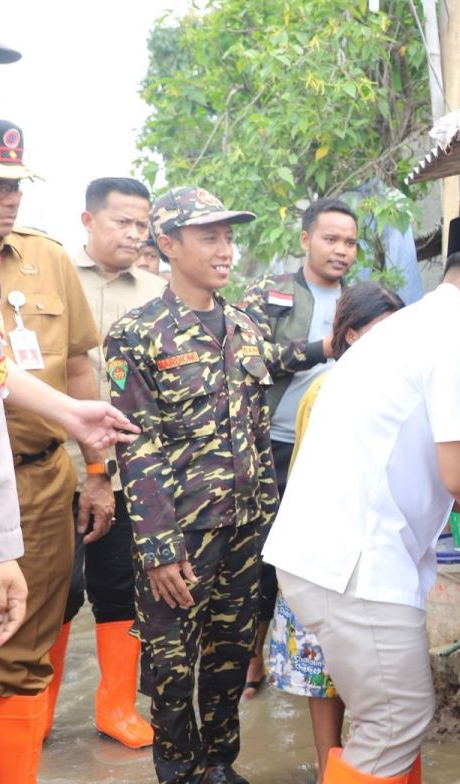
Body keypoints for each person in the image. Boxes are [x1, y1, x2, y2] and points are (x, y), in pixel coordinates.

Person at [265, 212, 460, 783]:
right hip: (355, 562)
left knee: (387, 722)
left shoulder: (423, 325)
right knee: (397, 720)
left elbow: (421, 461)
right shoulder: (458, 335)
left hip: (336, 558)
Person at [106, 186, 327, 784]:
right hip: (179, 536)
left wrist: (332, 344)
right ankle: (177, 771)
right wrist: (157, 551)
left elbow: (275, 369)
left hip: (245, 528)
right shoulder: (138, 335)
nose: (226, 249)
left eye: (229, 236)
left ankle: (219, 766)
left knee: (230, 659)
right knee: (173, 668)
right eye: (210, 237)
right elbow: (137, 446)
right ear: (169, 245)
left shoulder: (245, 327)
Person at [0, 116, 123, 782]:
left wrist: (96, 469)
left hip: (33, 483)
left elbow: (70, 369)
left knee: (22, 645)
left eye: (16, 186)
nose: (8, 200)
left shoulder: (46, 257)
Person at [267, 282, 404, 782]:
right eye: (381, 333)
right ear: (350, 334)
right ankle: (332, 769)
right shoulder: (332, 390)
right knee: (328, 677)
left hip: (354, 554)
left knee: (358, 680)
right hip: (328, 554)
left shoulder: (387, 389)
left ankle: (345, 768)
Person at [52, 177, 167, 749]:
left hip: (130, 471)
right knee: (53, 591)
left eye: (141, 224)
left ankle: (115, 708)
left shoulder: (157, 290)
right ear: (88, 221)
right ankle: (34, 705)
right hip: (56, 467)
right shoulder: (54, 276)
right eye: (122, 221)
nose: (133, 233)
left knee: (119, 587)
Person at [237, 197, 357, 700]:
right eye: (331, 239)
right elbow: (249, 356)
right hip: (277, 445)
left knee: (330, 556)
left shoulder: (363, 299)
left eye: (350, 242)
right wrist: (321, 349)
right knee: (266, 554)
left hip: (340, 449)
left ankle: (329, 663)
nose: (341, 251)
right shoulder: (271, 293)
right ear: (306, 239)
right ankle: (252, 658)